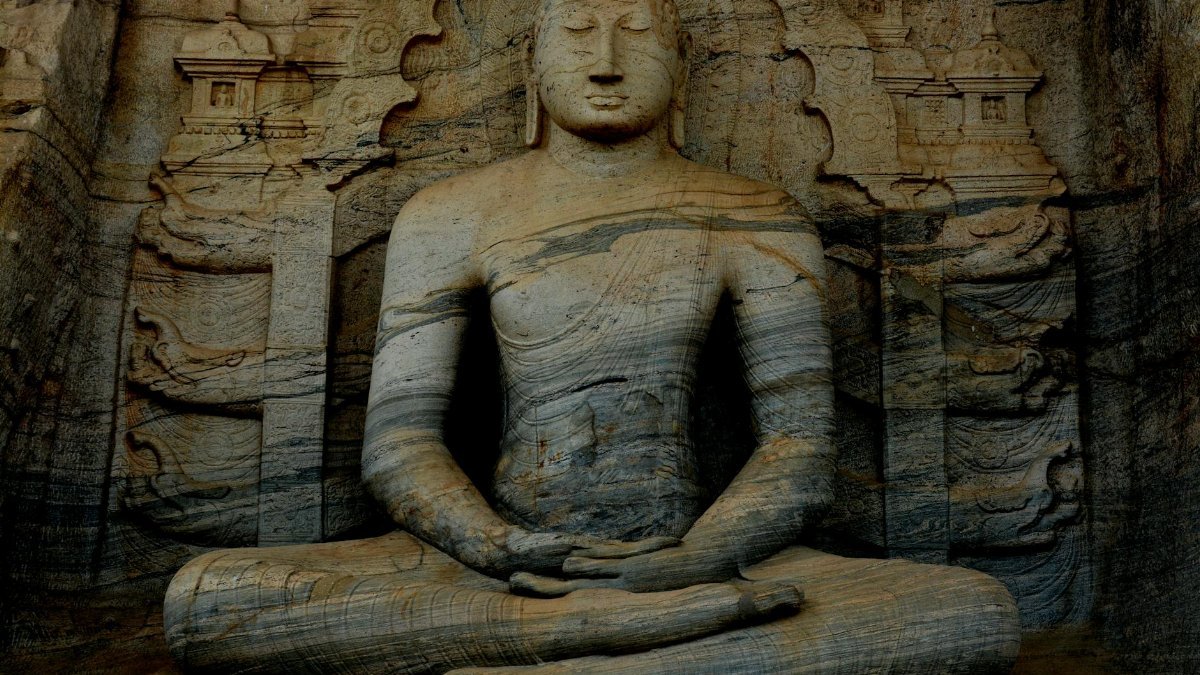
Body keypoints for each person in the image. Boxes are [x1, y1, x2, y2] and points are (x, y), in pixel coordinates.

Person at [163, 0, 1020, 671]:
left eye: (638, 34)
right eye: (575, 32)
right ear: (532, 69)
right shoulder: (449, 215)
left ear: (682, 71)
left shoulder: (756, 216)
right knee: (208, 600)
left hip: (697, 559)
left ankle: (563, 647)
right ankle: (633, 640)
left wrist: (689, 562)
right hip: (496, 567)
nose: (605, 60)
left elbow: (798, 449)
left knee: (973, 612)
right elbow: (400, 445)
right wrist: (493, 543)